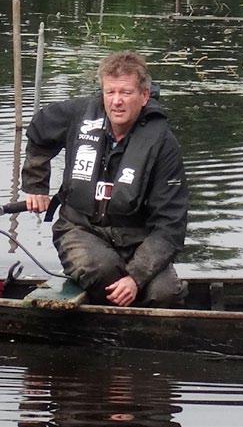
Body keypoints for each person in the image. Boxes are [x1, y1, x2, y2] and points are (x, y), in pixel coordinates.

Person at [22, 52, 188, 308]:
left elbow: (170, 227)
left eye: (126, 93)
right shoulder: (79, 114)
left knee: (165, 294)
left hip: (136, 238)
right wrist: (35, 185)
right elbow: (40, 131)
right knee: (103, 270)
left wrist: (135, 277)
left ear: (144, 96)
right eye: (110, 93)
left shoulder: (163, 144)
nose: (116, 102)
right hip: (79, 229)